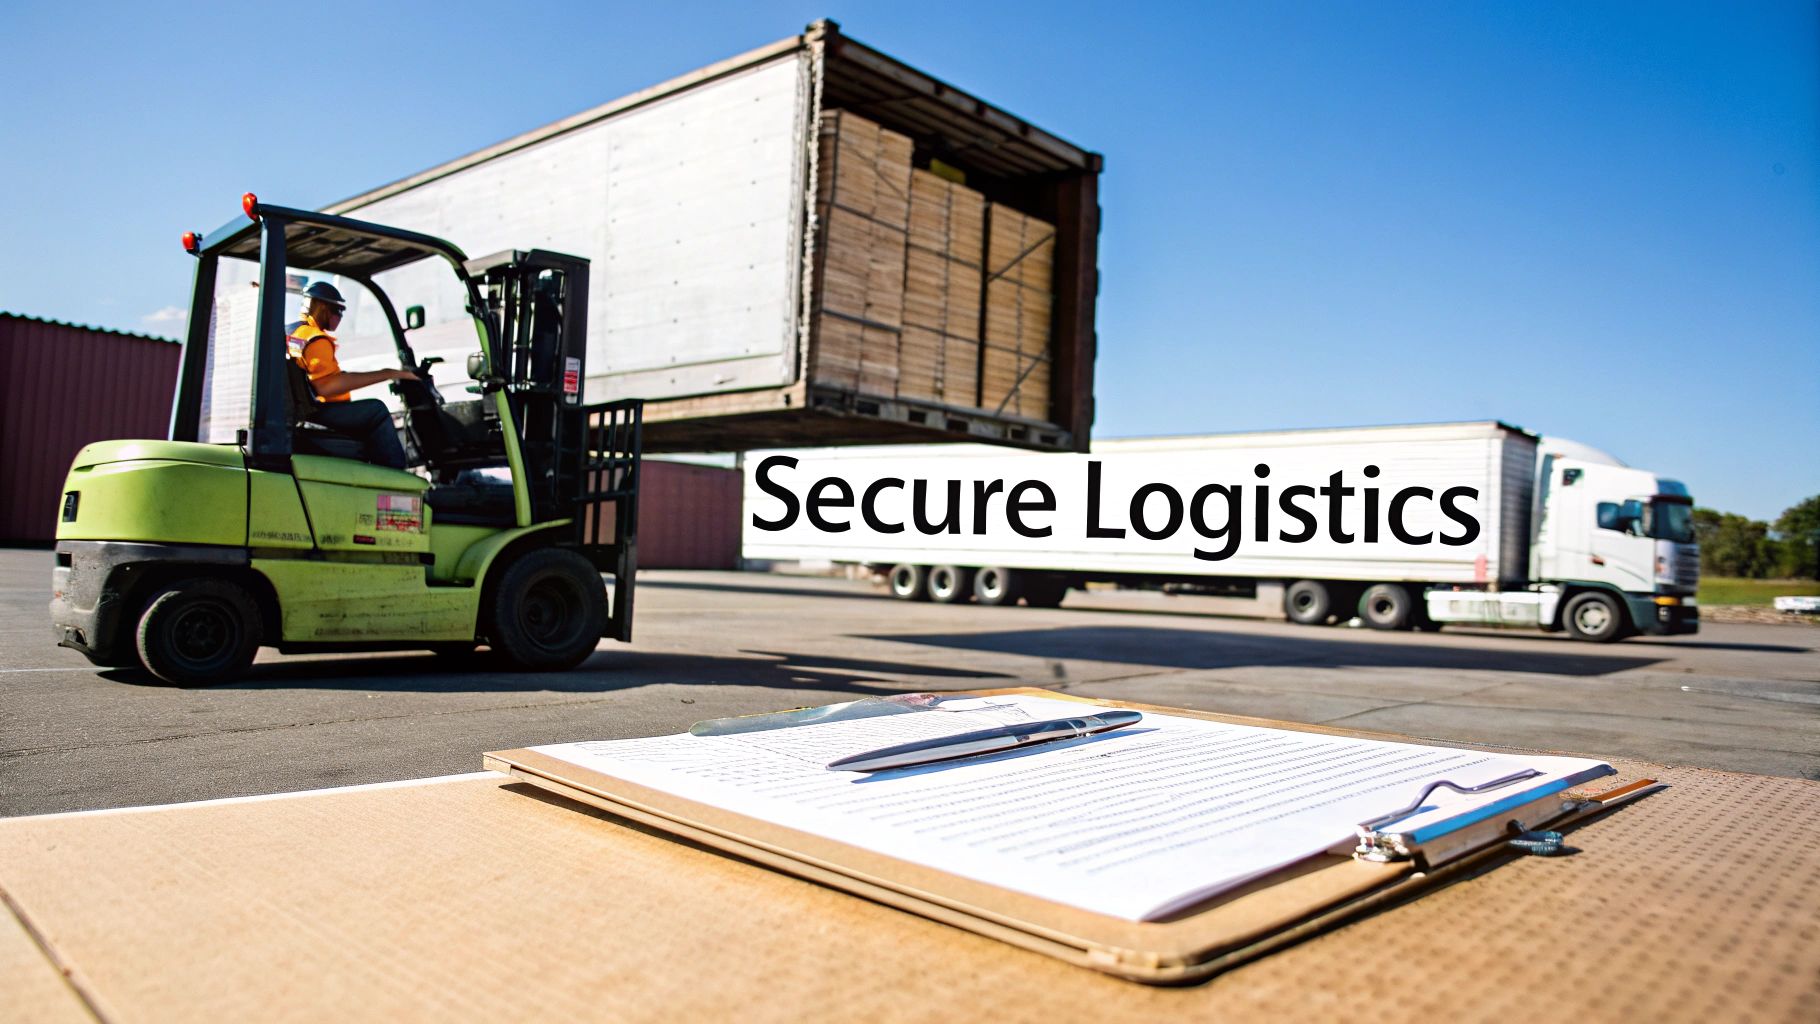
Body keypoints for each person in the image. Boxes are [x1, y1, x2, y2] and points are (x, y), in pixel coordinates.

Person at [287, 282, 415, 469]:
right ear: (322, 307)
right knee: (376, 411)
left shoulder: (295, 333)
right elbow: (326, 386)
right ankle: (396, 474)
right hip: (318, 410)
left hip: (306, 409)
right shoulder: (316, 339)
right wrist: (388, 373)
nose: (339, 316)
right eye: (338, 310)